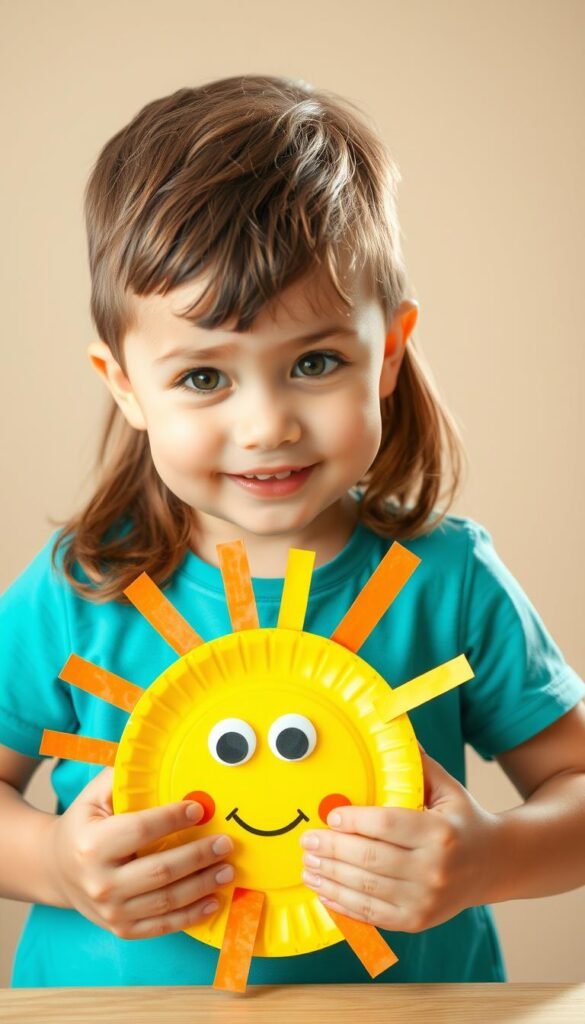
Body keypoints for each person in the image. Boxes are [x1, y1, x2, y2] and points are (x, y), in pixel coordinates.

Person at [1, 75, 584, 989]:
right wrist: (54, 864)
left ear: (387, 352)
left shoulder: (449, 579)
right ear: (122, 383)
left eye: (314, 361)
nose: (267, 424)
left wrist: (487, 859)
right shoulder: (79, 587)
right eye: (203, 377)